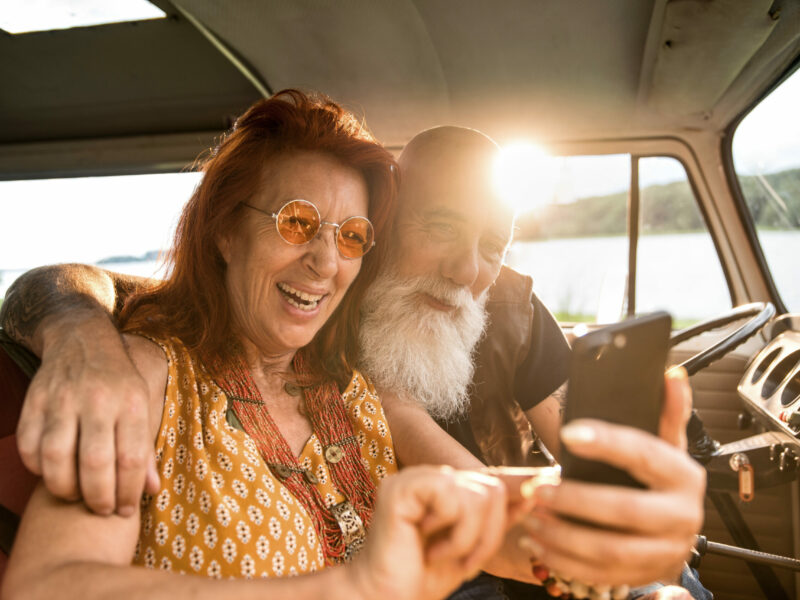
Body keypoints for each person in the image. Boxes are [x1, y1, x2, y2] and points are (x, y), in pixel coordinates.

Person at [0, 113, 705, 595]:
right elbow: (45, 587)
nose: (322, 262)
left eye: (352, 236)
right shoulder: (146, 379)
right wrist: (349, 591)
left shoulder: (350, 389)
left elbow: (484, 519)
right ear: (223, 230)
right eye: (297, 222)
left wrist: (615, 532)